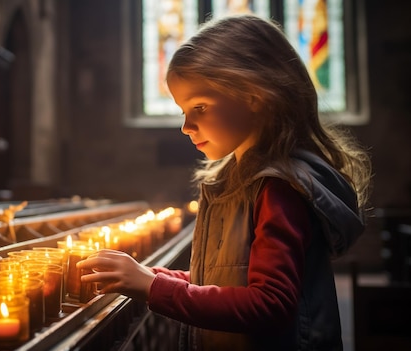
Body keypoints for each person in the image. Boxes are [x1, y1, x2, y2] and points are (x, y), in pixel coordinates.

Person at [77, 14, 371, 350]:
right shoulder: (239, 182)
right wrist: (152, 277)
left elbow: (268, 305)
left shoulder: (278, 189)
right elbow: (221, 282)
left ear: (254, 96)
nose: (186, 125)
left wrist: (150, 286)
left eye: (199, 106)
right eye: (183, 110)